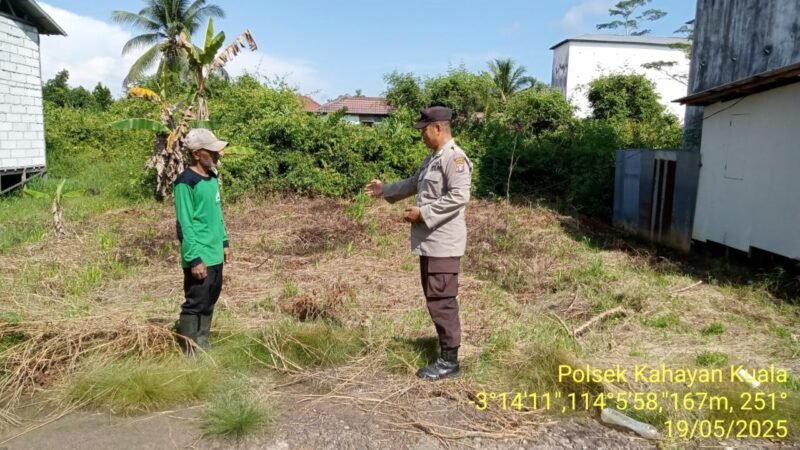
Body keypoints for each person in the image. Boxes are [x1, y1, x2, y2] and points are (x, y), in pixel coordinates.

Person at [365, 106, 473, 380]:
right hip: (431, 243)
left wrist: (423, 213)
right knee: (434, 297)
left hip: (444, 244)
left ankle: (450, 362)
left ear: (438, 128)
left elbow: (459, 197)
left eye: (424, 130)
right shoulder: (433, 159)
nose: (422, 135)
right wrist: (385, 190)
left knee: (442, 300)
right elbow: (415, 183)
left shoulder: (455, 159)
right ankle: (446, 353)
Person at [173, 128, 233, 354]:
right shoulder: (185, 182)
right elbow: (185, 224)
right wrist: (194, 258)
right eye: (212, 152)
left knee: (210, 299)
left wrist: (225, 243)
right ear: (197, 153)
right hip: (199, 256)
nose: (217, 156)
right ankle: (190, 349)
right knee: (195, 303)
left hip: (215, 252)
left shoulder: (213, 178)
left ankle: (203, 342)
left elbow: (217, 214)